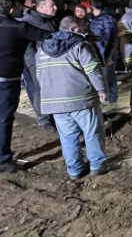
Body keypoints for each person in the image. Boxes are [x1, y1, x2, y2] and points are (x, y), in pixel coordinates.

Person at [36, 17, 109, 179]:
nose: (86, 31)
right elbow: (93, 70)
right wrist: (101, 89)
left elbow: (38, 76)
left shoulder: (42, 49)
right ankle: (98, 165)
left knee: (68, 137)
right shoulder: (81, 45)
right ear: (74, 28)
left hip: (55, 103)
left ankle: (75, 170)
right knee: (92, 133)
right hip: (81, 99)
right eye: (83, 27)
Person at [1, 0, 51, 172]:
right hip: (7, 79)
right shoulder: (18, 27)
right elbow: (46, 36)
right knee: (4, 119)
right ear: (12, 11)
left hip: (8, 79)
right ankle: (3, 159)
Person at [22, 0, 59, 132]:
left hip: (53, 60)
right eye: (52, 5)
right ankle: (44, 119)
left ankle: (55, 114)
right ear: (41, 7)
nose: (56, 8)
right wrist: (34, 64)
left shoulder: (50, 20)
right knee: (40, 90)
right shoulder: (29, 22)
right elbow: (27, 48)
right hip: (38, 62)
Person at [89, 0, 119, 113]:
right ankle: (104, 99)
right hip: (97, 53)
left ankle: (113, 101)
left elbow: (112, 37)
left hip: (106, 53)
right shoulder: (94, 18)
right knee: (101, 77)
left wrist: (109, 54)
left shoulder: (108, 18)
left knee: (110, 77)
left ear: (92, 6)